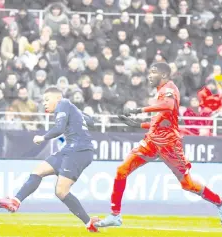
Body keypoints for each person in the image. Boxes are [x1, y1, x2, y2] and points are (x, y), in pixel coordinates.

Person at [95, 62, 222, 228]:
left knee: (187, 184)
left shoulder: (169, 88)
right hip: (152, 141)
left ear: (163, 75)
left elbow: (168, 106)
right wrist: (137, 125)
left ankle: (219, 203)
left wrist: (139, 110)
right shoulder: (160, 93)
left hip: (169, 144)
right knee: (121, 170)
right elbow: (159, 122)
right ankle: (115, 215)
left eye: (153, 72)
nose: (149, 75)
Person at [0, 86, 100, 232]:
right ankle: (15, 201)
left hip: (79, 150)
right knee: (39, 170)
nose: (44, 103)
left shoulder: (63, 104)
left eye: (47, 99)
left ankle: (88, 222)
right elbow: (92, 122)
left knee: (61, 191)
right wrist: (80, 115)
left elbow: (60, 128)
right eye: (43, 101)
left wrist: (43, 137)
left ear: (58, 98)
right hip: (71, 149)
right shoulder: (71, 108)